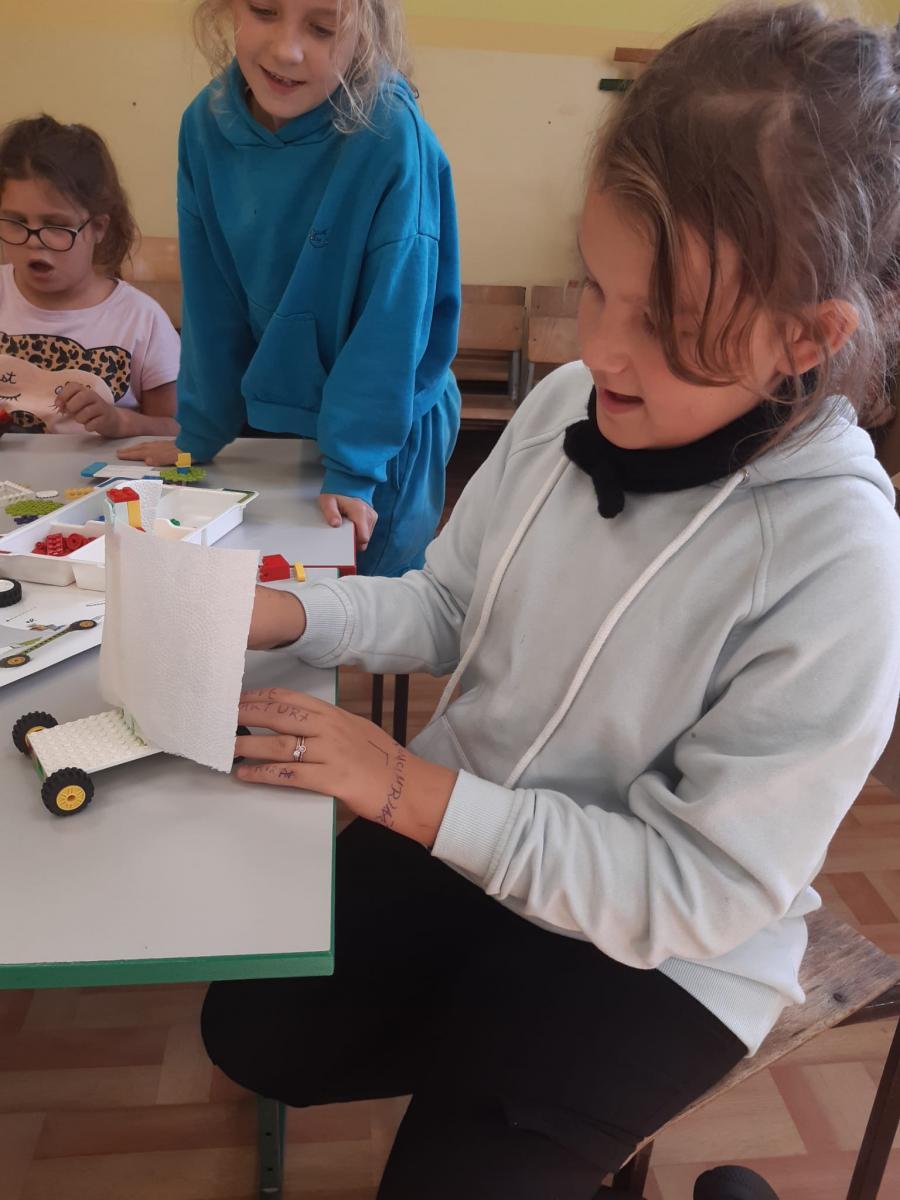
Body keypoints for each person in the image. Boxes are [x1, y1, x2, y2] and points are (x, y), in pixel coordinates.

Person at [202, 5, 900, 1195]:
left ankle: (526, 1103)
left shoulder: (839, 556)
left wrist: (404, 789)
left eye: (667, 323)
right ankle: (501, 1085)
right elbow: (447, 605)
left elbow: (691, 886)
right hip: (480, 833)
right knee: (252, 1030)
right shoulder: (565, 403)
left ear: (806, 338)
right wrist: (295, 614)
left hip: (667, 951)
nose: (604, 352)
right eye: (596, 286)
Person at [119, 0, 460, 576]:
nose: (286, 50)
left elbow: (392, 325)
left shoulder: (389, 132)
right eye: (264, 10)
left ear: (367, 34)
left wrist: (354, 465)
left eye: (323, 28)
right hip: (282, 416)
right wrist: (197, 431)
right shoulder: (205, 124)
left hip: (384, 424)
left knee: (363, 600)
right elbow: (210, 296)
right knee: (266, 592)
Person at [0, 116, 179, 437]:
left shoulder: (141, 320)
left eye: (57, 225)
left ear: (98, 227)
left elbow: (177, 429)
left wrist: (120, 422)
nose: (34, 241)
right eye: (16, 221)